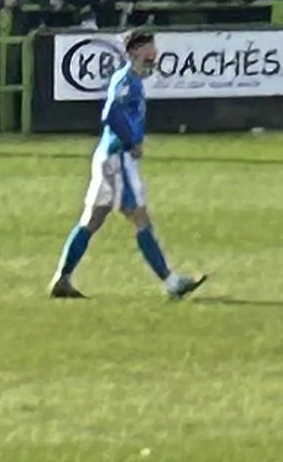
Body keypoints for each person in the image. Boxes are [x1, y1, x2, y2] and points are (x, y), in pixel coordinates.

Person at [48, 28, 206, 302]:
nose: (154, 55)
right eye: (150, 50)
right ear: (135, 51)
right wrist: (132, 140)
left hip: (108, 156)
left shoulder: (131, 79)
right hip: (117, 158)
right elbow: (110, 113)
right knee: (139, 217)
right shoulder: (127, 81)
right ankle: (171, 282)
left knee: (92, 219)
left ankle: (62, 279)